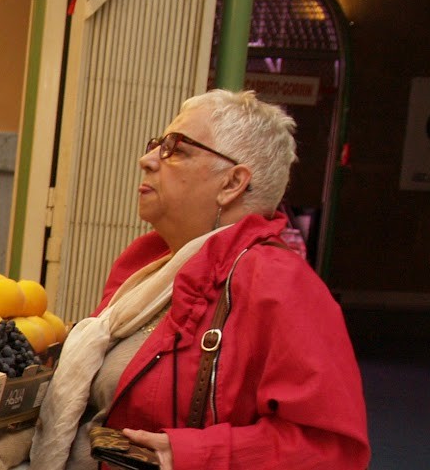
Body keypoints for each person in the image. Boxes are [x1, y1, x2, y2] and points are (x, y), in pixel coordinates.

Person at [29, 90, 369, 470]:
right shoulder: (147, 263)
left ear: (232, 183)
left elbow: (331, 451)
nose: (147, 160)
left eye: (176, 148)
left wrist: (191, 454)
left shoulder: (279, 282)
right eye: (156, 144)